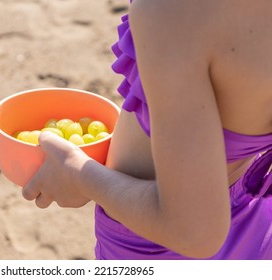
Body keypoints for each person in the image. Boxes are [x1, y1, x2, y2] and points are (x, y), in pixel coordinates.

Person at [22, 0, 272, 259]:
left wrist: (77, 174)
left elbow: (192, 232)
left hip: (157, 245)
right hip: (255, 222)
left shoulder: (173, 11)